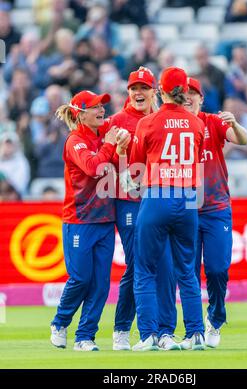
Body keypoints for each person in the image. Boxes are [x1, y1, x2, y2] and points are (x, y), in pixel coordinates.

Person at [122, 67, 206, 351]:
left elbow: (135, 166)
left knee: (144, 270)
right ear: (185, 90)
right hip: (188, 199)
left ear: (160, 90)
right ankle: (196, 333)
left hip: (157, 196)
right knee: (187, 271)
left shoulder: (148, 123)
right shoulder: (196, 123)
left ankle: (149, 336)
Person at [49, 90, 128, 352]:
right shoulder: (75, 141)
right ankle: (60, 322)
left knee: (101, 284)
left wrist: (120, 147)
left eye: (102, 105)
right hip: (79, 220)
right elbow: (94, 167)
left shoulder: (101, 134)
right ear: (81, 114)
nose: (101, 110)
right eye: (95, 107)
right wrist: (109, 144)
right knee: (81, 278)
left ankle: (85, 336)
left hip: (105, 219)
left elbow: (114, 163)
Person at [110, 67, 178, 351]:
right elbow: (107, 166)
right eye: (134, 88)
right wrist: (117, 149)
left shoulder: (164, 119)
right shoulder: (116, 121)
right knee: (139, 262)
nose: (138, 93)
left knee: (164, 265)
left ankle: (163, 332)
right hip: (129, 202)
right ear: (128, 92)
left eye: (144, 88)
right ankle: (124, 328)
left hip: (160, 200)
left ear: (154, 91)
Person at [180, 77, 247, 348]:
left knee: (218, 269)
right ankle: (193, 330)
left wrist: (235, 124)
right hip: (186, 208)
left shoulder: (213, 121)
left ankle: (216, 318)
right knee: (188, 273)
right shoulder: (173, 127)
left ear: (201, 98)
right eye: (183, 94)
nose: (188, 97)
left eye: (193, 93)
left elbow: (243, 139)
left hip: (216, 207)